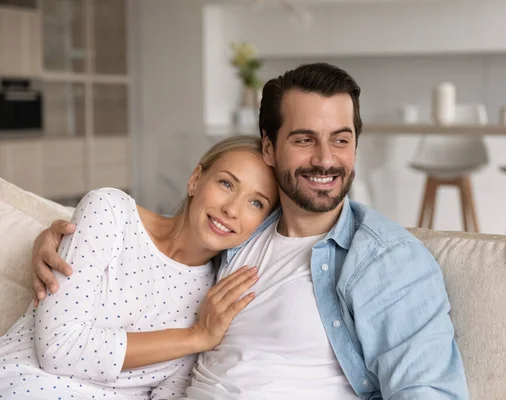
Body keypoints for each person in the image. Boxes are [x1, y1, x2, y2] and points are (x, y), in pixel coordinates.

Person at [30, 63, 469, 399]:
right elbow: (151, 256)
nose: (325, 159)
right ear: (269, 147)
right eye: (303, 139)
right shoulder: (237, 237)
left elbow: (425, 390)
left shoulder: (385, 259)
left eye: (341, 139)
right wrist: (54, 234)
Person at [0, 135, 279, 399]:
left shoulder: (218, 298)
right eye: (227, 184)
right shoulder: (110, 213)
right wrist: (196, 337)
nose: (232, 209)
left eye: (256, 203)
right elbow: (58, 348)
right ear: (195, 180)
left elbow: (169, 393)